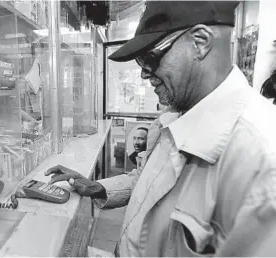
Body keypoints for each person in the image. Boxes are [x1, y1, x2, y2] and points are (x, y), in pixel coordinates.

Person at [45, 1, 276, 257]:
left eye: (150, 58)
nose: (144, 75)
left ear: (200, 41)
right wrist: (97, 187)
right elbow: (147, 180)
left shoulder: (261, 162)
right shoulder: (173, 116)